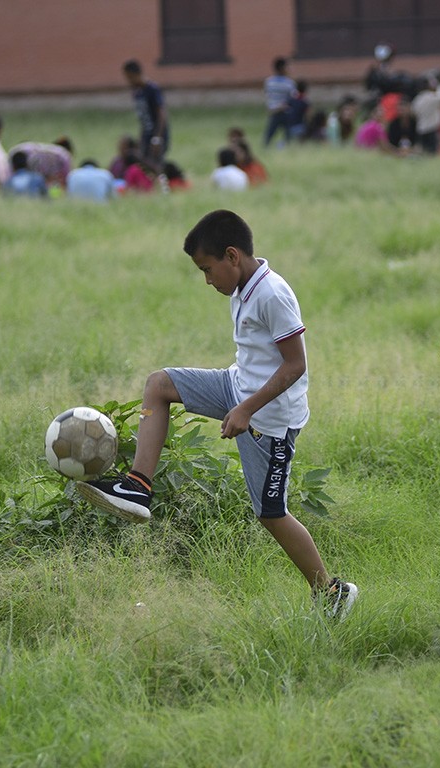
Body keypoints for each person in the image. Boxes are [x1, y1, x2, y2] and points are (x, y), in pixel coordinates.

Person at [75, 209, 358, 619]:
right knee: (159, 384)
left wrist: (245, 409)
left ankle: (331, 592)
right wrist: (238, 398)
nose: (208, 280)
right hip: (236, 386)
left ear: (232, 256)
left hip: (269, 420)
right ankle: (138, 486)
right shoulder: (243, 287)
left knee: (270, 514)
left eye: (208, 270)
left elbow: (295, 365)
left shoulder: (272, 294)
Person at [122, 59, 169, 165]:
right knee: (144, 163)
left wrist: (157, 137)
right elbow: (143, 117)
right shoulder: (137, 92)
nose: (128, 81)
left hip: (156, 134)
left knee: (155, 164)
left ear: (135, 74)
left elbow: (161, 113)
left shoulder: (152, 89)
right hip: (146, 134)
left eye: (129, 77)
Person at [263, 56, 296, 147]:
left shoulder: (269, 82)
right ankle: (287, 146)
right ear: (282, 68)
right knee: (288, 133)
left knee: (270, 131)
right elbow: (293, 96)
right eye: (287, 67)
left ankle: (266, 145)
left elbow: (268, 95)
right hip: (286, 111)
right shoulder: (289, 83)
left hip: (273, 110)